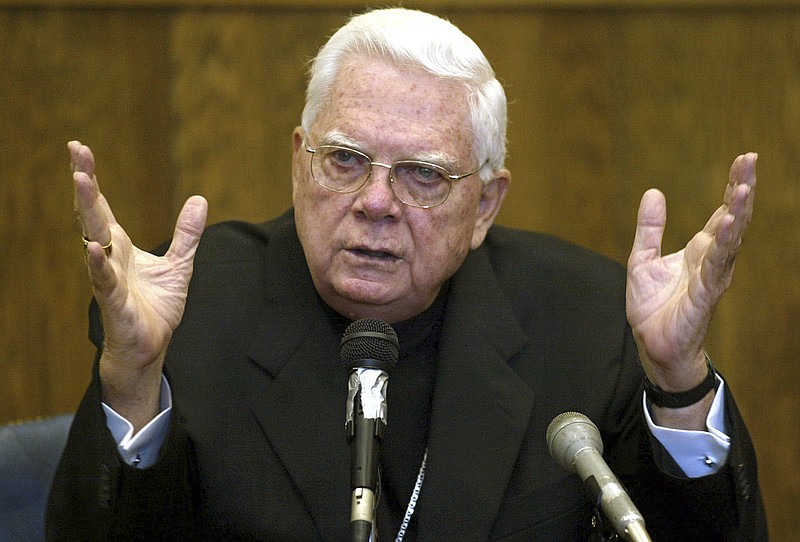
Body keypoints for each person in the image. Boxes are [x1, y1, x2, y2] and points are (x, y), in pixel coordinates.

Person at [47, 7, 767, 541]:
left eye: (422, 174)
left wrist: (679, 382)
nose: (376, 203)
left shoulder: (585, 320)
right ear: (300, 160)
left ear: (485, 202)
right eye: (346, 159)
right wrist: (133, 381)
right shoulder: (198, 307)